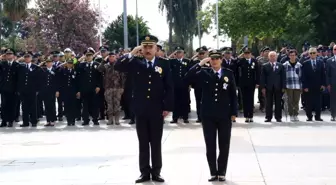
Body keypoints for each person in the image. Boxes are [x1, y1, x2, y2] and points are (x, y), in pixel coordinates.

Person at [114, 35, 174, 183]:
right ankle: (144, 172)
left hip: (157, 109)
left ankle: (157, 171)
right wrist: (132, 52)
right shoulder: (135, 62)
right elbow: (117, 66)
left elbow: (169, 87)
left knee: (156, 142)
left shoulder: (163, 64)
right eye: (145, 47)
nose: (147, 50)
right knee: (143, 142)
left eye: (150, 47)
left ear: (156, 48)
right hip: (140, 108)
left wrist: (167, 107)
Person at [185, 49, 237, 182]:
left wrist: (234, 113)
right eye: (212, 59)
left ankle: (222, 171)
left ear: (221, 60)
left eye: (217, 59)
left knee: (224, 143)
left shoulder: (228, 73)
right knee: (210, 144)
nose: (214, 61)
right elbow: (187, 77)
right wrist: (200, 63)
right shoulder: (204, 73)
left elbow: (233, 94)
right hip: (208, 114)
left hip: (224, 114)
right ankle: (213, 172)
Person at [76, 48, 102, 126]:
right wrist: (81, 59)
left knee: (94, 105)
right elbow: (76, 68)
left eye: (90, 55)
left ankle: (95, 119)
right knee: (85, 106)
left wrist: (98, 86)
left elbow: (100, 77)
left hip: (94, 88)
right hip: (85, 89)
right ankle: (86, 120)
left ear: (92, 56)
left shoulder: (96, 64)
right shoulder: (82, 65)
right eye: (87, 56)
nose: (89, 57)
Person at [98, 51, 125, 125]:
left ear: (115, 57)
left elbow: (123, 76)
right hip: (108, 88)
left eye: (113, 56)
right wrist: (103, 60)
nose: (111, 58)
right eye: (110, 57)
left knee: (117, 104)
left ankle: (117, 119)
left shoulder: (119, 65)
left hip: (118, 88)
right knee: (109, 104)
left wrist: (122, 87)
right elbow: (99, 69)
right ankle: (110, 119)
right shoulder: (106, 65)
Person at [17, 51, 42, 127]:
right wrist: (19, 89)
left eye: (28, 57)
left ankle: (34, 121)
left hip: (32, 90)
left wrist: (37, 89)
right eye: (25, 57)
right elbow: (19, 79)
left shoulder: (36, 67)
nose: (27, 59)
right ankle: (25, 122)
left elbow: (38, 80)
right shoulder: (21, 67)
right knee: (24, 107)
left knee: (33, 106)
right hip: (23, 90)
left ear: (31, 58)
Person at [260, 51, 286, 122]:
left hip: (278, 87)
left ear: (276, 57)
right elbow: (262, 77)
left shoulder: (281, 65)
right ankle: (268, 117)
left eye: (274, 56)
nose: (272, 57)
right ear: (268, 57)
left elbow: (283, 77)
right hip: (268, 87)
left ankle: (278, 117)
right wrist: (263, 87)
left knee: (278, 103)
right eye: (271, 56)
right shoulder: (265, 66)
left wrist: (284, 87)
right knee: (268, 103)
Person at [302, 47, 326, 121]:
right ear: (309, 54)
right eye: (311, 53)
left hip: (318, 86)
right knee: (308, 102)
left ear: (317, 54)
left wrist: (323, 84)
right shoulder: (305, 63)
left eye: (314, 53)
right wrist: (305, 86)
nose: (312, 54)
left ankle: (318, 116)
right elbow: (303, 76)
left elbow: (323, 74)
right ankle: (309, 116)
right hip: (308, 86)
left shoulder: (320, 62)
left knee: (318, 102)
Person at [168, 46, 191, 123]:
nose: (178, 54)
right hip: (175, 85)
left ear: (183, 53)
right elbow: (165, 60)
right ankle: (175, 118)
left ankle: (185, 117)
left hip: (184, 85)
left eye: (180, 52)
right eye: (177, 52)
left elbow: (190, 73)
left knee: (185, 101)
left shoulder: (187, 61)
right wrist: (172, 54)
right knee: (175, 102)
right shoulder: (172, 61)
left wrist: (189, 84)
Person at [237, 47, 259, 122]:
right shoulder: (241, 61)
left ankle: (251, 116)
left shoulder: (254, 61)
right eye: (245, 53)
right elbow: (234, 63)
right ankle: (246, 116)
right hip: (243, 83)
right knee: (244, 100)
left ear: (250, 54)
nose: (247, 55)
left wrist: (257, 82)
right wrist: (240, 56)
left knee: (251, 99)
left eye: (248, 53)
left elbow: (257, 72)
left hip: (251, 83)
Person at [0, 48, 19, 127]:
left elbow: (19, 78)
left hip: (13, 89)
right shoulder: (2, 64)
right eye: (7, 54)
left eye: (10, 54)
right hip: (4, 88)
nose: (9, 55)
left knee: (12, 105)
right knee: (4, 105)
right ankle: (4, 121)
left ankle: (10, 120)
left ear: (13, 55)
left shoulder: (17, 65)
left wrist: (18, 89)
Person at [56, 59, 78, 126]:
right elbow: (56, 70)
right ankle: (69, 120)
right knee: (67, 106)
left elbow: (77, 82)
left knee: (73, 106)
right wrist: (62, 64)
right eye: (68, 63)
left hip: (73, 91)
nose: (69, 65)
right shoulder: (63, 71)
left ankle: (73, 120)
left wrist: (78, 91)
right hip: (65, 91)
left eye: (71, 63)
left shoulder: (75, 71)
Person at [283, 50, 302, 122]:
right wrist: (284, 87)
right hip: (289, 86)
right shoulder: (285, 65)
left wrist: (301, 86)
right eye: (291, 55)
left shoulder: (299, 65)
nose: (292, 56)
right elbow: (283, 77)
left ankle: (296, 114)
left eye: (294, 55)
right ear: (289, 56)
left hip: (297, 85)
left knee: (296, 101)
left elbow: (301, 77)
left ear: (296, 56)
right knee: (290, 101)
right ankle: (291, 114)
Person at [40, 58, 58, 126]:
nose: (48, 64)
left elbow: (56, 82)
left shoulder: (55, 70)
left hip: (52, 91)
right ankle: (48, 120)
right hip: (45, 91)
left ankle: (52, 120)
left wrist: (57, 90)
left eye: (50, 62)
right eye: (47, 62)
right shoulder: (43, 70)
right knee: (46, 106)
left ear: (52, 63)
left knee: (52, 105)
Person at [257, 47, 270, 112]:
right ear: (263, 52)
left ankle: (267, 107)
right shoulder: (260, 60)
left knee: (269, 94)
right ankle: (262, 106)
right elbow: (258, 71)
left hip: (269, 79)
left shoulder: (272, 59)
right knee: (261, 94)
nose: (267, 52)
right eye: (266, 51)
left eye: (268, 51)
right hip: (261, 79)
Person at [326, 45, 336, 121]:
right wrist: (328, 84)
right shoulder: (329, 61)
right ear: (333, 51)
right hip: (333, 84)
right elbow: (327, 74)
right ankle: (333, 115)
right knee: (333, 100)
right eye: (335, 49)